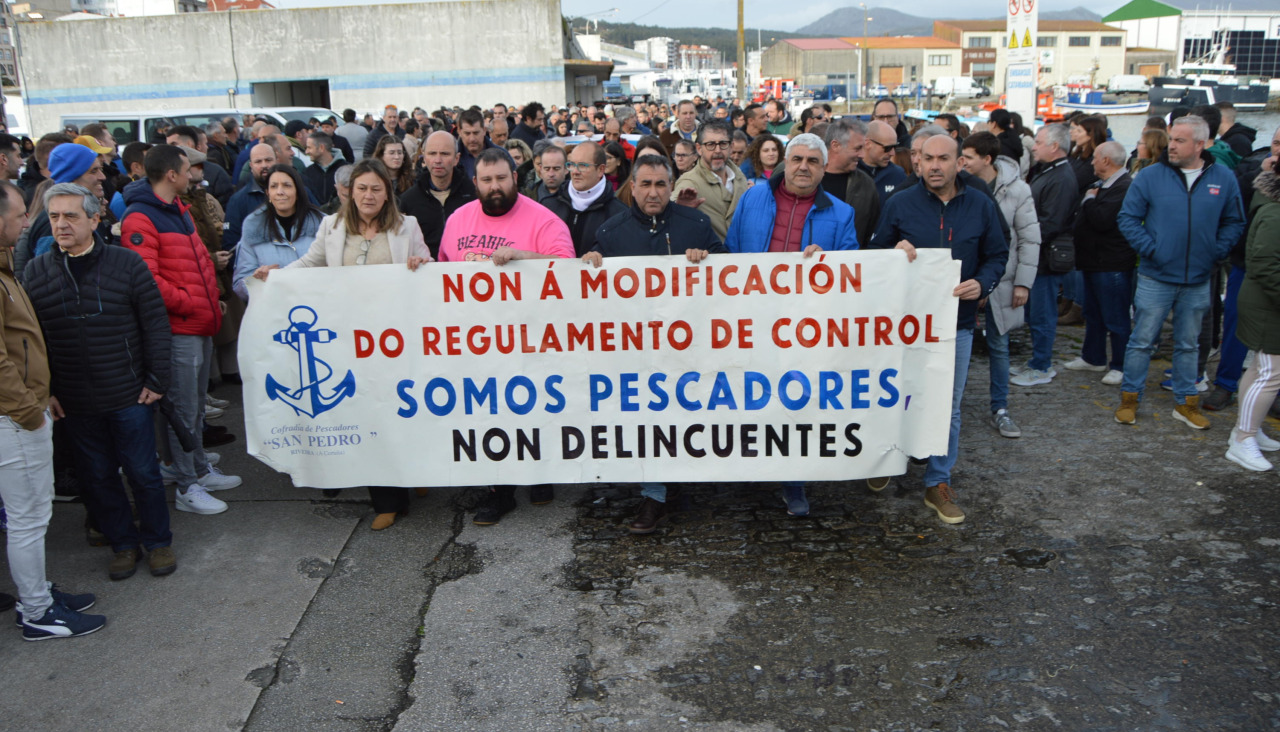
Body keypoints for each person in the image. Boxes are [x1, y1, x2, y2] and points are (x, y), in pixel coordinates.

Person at [253, 158, 430, 530]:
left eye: (376, 189)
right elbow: (310, 264)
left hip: (396, 339)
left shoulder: (406, 226)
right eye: (362, 188)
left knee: (402, 411)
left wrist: (420, 263)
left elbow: (426, 268)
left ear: (387, 193)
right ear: (350, 191)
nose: (368, 195)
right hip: (352, 340)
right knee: (369, 415)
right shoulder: (332, 226)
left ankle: (415, 473)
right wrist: (277, 275)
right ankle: (387, 500)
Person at [25, 182, 175, 581]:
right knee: (97, 477)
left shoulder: (127, 264)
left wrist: (158, 379)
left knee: (143, 473)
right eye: (54, 216)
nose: (61, 225)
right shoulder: (36, 272)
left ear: (95, 219)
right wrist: (49, 391)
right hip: (74, 400)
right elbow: (33, 340)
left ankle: (158, 543)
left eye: (71, 216)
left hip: (130, 394)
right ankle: (123, 545)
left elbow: (156, 325)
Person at [870, 134, 1008, 525]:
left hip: (956, 325)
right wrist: (893, 255)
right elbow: (873, 255)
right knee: (895, 395)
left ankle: (938, 480)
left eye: (943, 158)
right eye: (926, 158)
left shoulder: (981, 205)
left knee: (948, 406)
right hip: (902, 326)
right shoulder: (898, 204)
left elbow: (999, 254)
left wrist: (984, 283)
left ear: (958, 163)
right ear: (917, 162)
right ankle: (887, 458)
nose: (934, 165)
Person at [583, 155, 725, 533]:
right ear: (632, 185)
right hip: (636, 349)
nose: (653, 192)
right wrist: (592, 262)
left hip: (688, 343)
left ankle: (672, 482)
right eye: (645, 184)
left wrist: (707, 259)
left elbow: (731, 274)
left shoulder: (695, 223)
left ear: (672, 186)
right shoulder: (612, 231)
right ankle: (654, 494)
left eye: (661, 184)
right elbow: (592, 292)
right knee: (648, 418)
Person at [0, 179, 106, 639]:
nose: (29, 223)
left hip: (23, 410)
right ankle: (38, 612)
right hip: (14, 418)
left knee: (31, 516)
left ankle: (37, 591)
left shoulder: (5, 265)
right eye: (20, 214)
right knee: (28, 520)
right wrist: (27, 409)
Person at [122, 145, 240, 515]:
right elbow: (148, 280)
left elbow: (198, 262)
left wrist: (210, 298)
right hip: (178, 328)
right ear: (171, 174)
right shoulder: (140, 218)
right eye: (188, 168)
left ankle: (198, 468)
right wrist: (193, 302)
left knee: (194, 410)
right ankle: (187, 484)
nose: (195, 174)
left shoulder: (179, 210)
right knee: (182, 410)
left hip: (198, 322)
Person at [1114, 115, 1246, 428]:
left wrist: (1215, 252)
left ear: (1200, 144)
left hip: (1198, 278)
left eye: (1180, 140)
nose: (1171, 145)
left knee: (1190, 343)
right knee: (1142, 341)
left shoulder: (1223, 178)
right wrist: (1151, 249)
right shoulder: (1151, 176)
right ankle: (1129, 399)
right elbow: (1127, 218)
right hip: (1155, 275)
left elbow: (1235, 221)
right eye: (1172, 139)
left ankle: (1186, 403)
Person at [959, 132, 1039, 439]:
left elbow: (1030, 238)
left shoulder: (1018, 190)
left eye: (968, 156)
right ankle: (954, 405)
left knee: (998, 345)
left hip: (1003, 282)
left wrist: (1023, 284)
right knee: (958, 344)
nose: (962, 161)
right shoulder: (961, 187)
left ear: (987, 159)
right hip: (968, 282)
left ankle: (1000, 408)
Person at [1062, 141, 1134, 386]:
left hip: (1111, 262)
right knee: (1093, 313)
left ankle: (1121, 365)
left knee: (1116, 316)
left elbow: (1103, 220)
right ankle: (1093, 357)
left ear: (1106, 160)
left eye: (1095, 158)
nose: (1091, 162)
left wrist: (1089, 201)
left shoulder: (1124, 187)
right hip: (1094, 261)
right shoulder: (1104, 185)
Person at [1011, 124, 1078, 387]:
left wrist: (1025, 242)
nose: (1034, 146)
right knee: (1037, 313)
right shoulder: (1050, 172)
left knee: (1043, 313)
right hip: (1038, 254)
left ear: (1054, 146)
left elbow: (1051, 222)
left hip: (1046, 258)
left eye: (1038, 142)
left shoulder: (1061, 177)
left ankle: (1042, 365)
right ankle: (1037, 360)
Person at [1225, 157, 1280, 471]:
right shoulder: (1274, 212)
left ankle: (1250, 428)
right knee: (1270, 373)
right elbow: (1264, 263)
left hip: (1264, 300)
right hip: (1268, 305)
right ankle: (1243, 438)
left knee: (1260, 368)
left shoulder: (1271, 204)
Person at [233, 164, 323, 300]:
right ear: (268, 193)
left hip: (317, 304)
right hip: (275, 310)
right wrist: (257, 279)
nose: (280, 192)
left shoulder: (323, 223)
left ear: (297, 191)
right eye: (274, 186)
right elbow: (240, 284)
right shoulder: (253, 225)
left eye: (287, 185)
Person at [537, 140, 626, 258]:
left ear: (600, 170)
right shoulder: (548, 205)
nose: (575, 172)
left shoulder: (619, 213)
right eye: (572, 165)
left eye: (583, 166)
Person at [398, 130, 477, 260]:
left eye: (445, 154)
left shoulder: (474, 196)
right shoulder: (408, 200)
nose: (438, 160)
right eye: (432, 153)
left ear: (456, 158)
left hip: (465, 272)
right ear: (423, 156)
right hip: (425, 271)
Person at [673, 122, 744, 241]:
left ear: (731, 147)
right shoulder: (690, 181)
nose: (717, 150)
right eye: (710, 144)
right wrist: (678, 210)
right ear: (699, 149)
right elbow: (670, 218)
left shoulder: (740, 177)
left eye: (723, 144)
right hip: (709, 257)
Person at [821, 118, 881, 246]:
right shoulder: (807, 180)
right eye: (857, 148)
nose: (862, 155)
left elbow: (871, 232)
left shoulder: (866, 185)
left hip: (851, 263)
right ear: (835, 145)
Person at [222, 141, 276, 250]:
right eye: (258, 162)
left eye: (268, 160)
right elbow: (231, 245)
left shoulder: (296, 191)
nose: (264, 165)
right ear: (251, 166)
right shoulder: (238, 201)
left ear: (277, 161)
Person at [863, 121, 907, 204]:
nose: (892, 153)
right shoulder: (851, 172)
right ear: (868, 144)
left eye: (895, 147)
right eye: (888, 148)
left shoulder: (898, 174)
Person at [302, 130, 344, 207]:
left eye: (309, 148)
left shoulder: (345, 170)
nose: (306, 152)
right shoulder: (307, 172)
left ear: (321, 148)